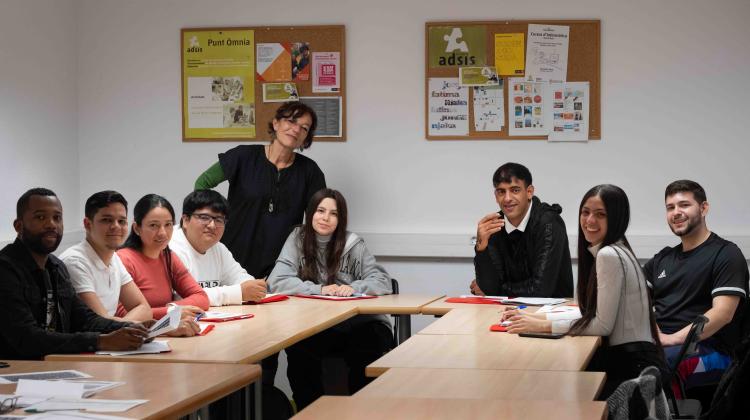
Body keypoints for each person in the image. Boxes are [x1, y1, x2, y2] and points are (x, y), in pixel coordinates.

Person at [503, 184, 666, 398]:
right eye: (585, 212)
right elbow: (588, 313)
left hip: (630, 370)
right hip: (637, 363)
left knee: (543, 388)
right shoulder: (615, 249)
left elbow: (602, 325)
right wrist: (537, 316)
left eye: (600, 215)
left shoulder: (609, 255)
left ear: (617, 218)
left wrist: (542, 325)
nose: (589, 221)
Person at [268, 188, 393, 409]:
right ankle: (312, 412)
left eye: (333, 213)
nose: (325, 218)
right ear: (310, 213)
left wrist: (354, 288)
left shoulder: (353, 243)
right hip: (317, 325)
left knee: (366, 350)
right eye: (320, 211)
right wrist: (320, 289)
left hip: (360, 324)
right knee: (299, 353)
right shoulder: (298, 239)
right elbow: (277, 280)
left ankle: (363, 413)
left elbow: (382, 280)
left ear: (341, 219)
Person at [0, 188, 152, 359]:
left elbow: (85, 319)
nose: (51, 224)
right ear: (18, 226)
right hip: (13, 371)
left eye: (57, 218)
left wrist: (132, 328)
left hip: (52, 365)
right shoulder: (5, 269)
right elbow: (27, 338)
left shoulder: (56, 267)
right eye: (40, 217)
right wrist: (101, 341)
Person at [195, 101, 326, 279]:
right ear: (276, 123)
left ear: (306, 137)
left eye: (304, 128)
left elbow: (318, 216)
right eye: (291, 121)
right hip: (233, 259)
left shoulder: (310, 171)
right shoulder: (243, 157)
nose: (296, 129)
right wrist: (216, 218)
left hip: (282, 267)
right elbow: (202, 183)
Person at [644, 180, 748, 388]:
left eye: (684, 205)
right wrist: (654, 333)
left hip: (709, 350)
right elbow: (635, 297)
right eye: (670, 207)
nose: (676, 212)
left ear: (703, 208)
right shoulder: (663, 258)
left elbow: (722, 313)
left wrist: (671, 340)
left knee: (655, 367)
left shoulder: (726, 254)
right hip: (663, 343)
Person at [471, 162, 573, 298]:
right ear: (496, 196)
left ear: (529, 192)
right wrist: (481, 249)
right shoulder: (494, 225)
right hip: (505, 311)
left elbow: (540, 290)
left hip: (548, 314)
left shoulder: (549, 222)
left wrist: (495, 290)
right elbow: (488, 285)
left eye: (515, 190)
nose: (507, 199)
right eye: (501, 192)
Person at [117, 194, 209, 336]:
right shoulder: (123, 259)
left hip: (163, 335)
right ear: (136, 228)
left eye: (168, 225)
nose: (162, 233)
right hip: (136, 338)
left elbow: (201, 296)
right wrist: (170, 312)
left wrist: (173, 308)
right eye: (153, 225)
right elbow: (122, 314)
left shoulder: (168, 256)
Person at [60, 191, 152, 322]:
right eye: (106, 220)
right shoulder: (75, 262)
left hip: (110, 340)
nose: (116, 226)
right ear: (87, 224)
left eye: (122, 221)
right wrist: (134, 327)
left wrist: (126, 328)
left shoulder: (114, 258)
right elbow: (100, 323)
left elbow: (144, 309)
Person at [170, 190, 267, 306]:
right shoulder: (171, 248)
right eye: (204, 217)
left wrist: (253, 286)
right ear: (185, 220)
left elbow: (239, 276)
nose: (212, 225)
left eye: (219, 220)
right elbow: (182, 298)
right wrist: (238, 292)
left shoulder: (218, 248)